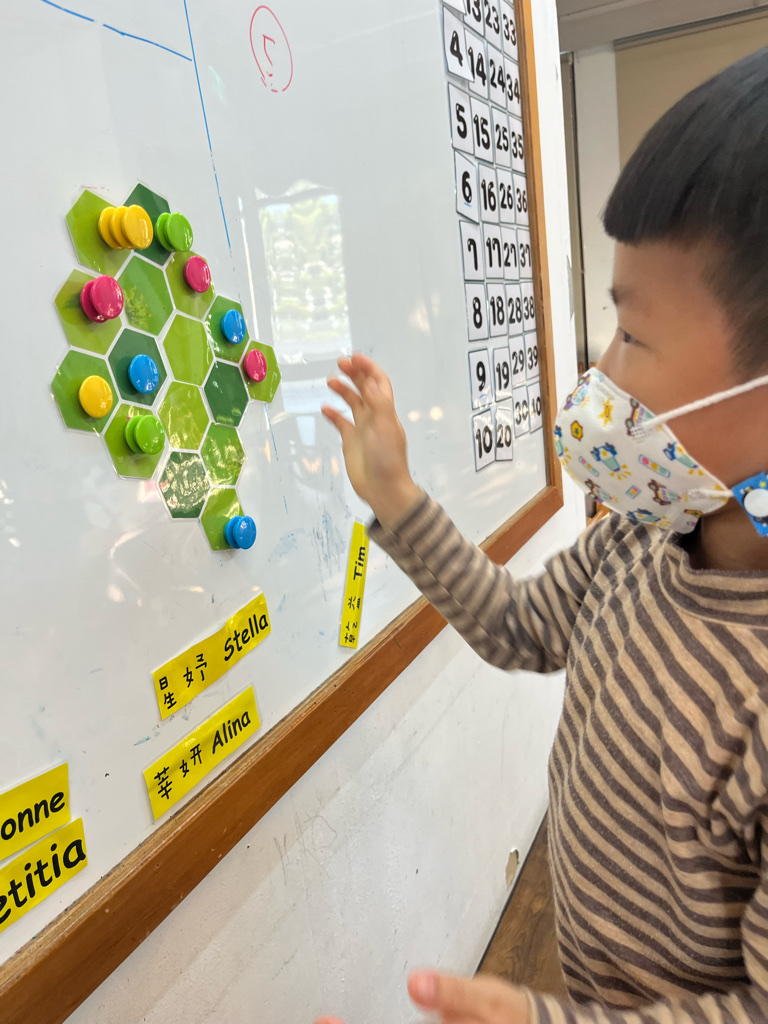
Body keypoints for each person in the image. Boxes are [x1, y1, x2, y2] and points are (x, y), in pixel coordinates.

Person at [318, 48, 768, 1024]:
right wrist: (396, 495)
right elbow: (517, 625)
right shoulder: (640, 539)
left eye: (634, 336)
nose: (602, 372)